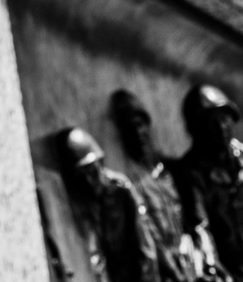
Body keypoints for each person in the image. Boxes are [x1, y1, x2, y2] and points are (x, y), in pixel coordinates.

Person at [112, 89, 216, 281]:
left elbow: (195, 216)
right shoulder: (130, 186)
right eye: (130, 127)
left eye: (140, 124)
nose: (138, 132)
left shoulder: (173, 169)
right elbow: (147, 233)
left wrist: (202, 254)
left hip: (193, 261)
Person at [61, 125, 167, 282]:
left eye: (92, 170)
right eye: (82, 176)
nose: (90, 181)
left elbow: (145, 246)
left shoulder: (120, 189)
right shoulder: (82, 204)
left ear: (100, 163)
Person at [179, 86, 243, 277]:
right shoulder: (191, 173)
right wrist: (212, 265)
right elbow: (200, 226)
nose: (221, 127)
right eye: (211, 121)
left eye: (224, 118)